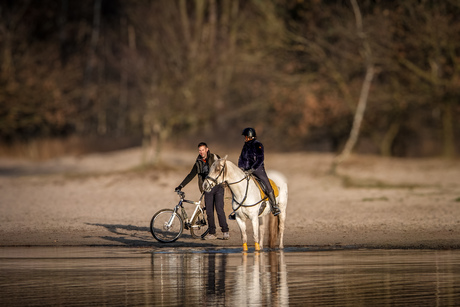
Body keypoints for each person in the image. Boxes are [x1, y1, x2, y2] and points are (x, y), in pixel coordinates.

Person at [175, 142, 229, 240]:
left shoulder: (215, 157)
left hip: (218, 187)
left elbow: (222, 169)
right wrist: (181, 186)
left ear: (207, 149)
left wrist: (225, 182)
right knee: (209, 211)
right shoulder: (198, 162)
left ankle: (225, 231)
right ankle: (212, 233)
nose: (201, 152)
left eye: (203, 150)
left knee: (219, 210)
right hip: (207, 188)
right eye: (199, 150)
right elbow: (191, 175)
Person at [230, 127, 280, 220]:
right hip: (245, 170)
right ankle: (236, 209)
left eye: (245, 136)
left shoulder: (258, 145)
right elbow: (241, 158)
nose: (244, 138)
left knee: (267, 184)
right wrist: (241, 168)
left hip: (257, 169)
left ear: (249, 136)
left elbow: (260, 159)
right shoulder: (245, 145)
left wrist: (252, 169)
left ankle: (274, 206)